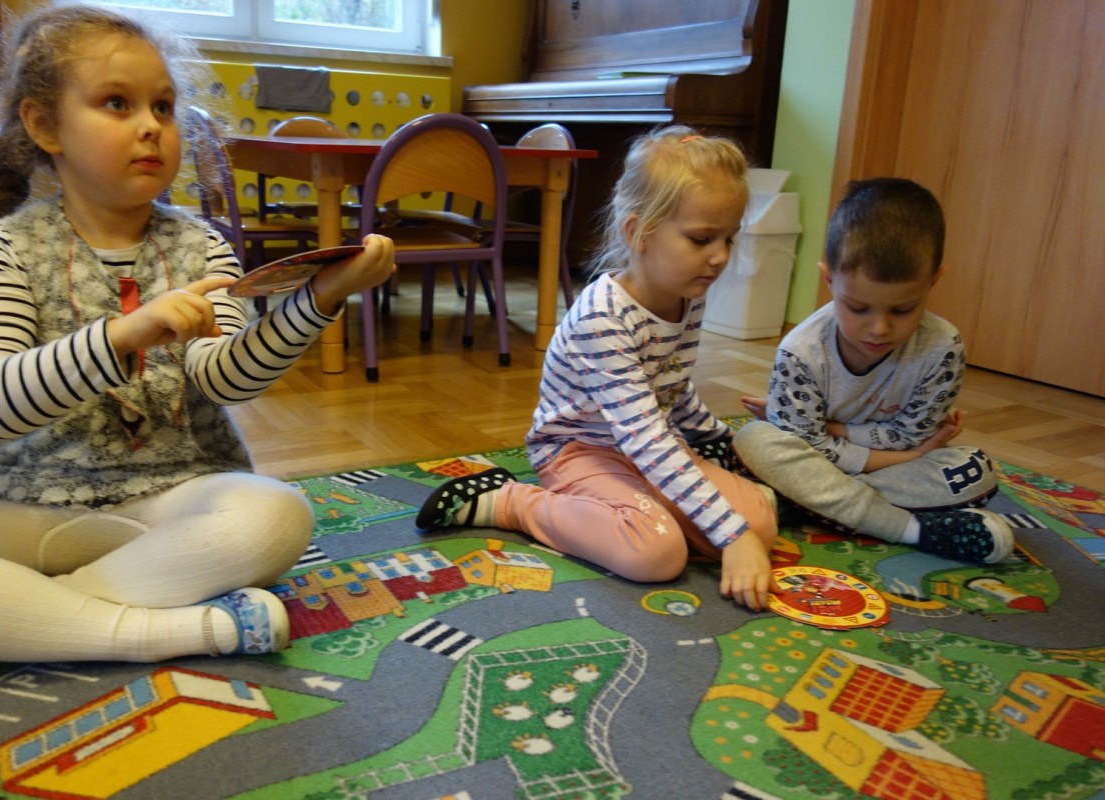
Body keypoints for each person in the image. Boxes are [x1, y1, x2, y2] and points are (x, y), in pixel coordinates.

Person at [0, 3, 395, 667]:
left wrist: (320, 298)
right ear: (44, 125)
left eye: (163, 107)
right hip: (17, 504)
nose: (150, 127)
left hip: (173, 499)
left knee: (278, 515)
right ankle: (151, 631)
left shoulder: (201, 245)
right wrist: (118, 337)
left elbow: (227, 377)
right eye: (117, 103)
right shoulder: (10, 249)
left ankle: (16, 617)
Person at [416, 126, 781, 612]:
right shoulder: (602, 318)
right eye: (701, 238)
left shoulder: (688, 292)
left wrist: (715, 438)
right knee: (657, 552)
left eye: (728, 238)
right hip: (579, 450)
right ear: (638, 233)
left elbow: (670, 383)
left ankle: (652, 505)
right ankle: (510, 502)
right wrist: (729, 534)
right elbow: (644, 436)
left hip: (648, 446)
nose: (719, 257)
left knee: (761, 524)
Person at [733, 178, 1013, 563]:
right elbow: (807, 444)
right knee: (756, 439)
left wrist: (833, 429)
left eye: (903, 309)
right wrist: (913, 454)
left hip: (845, 464)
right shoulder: (800, 351)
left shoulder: (943, 348)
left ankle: (799, 501)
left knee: (974, 469)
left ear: (933, 282)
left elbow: (908, 435)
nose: (879, 329)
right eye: (858, 308)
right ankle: (910, 528)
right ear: (829, 279)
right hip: (868, 462)